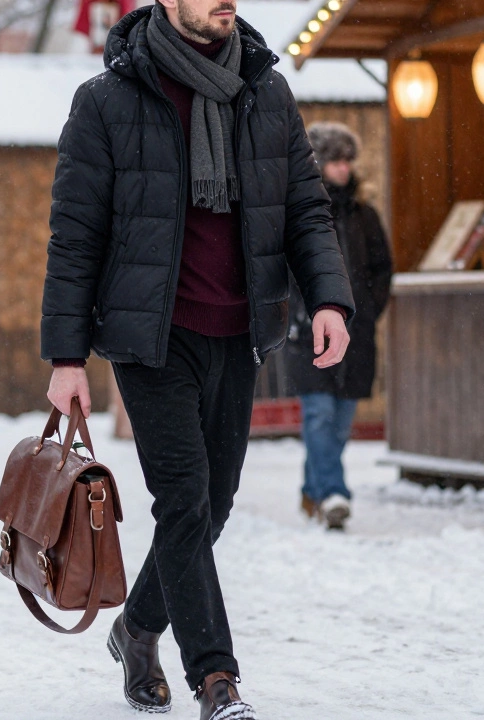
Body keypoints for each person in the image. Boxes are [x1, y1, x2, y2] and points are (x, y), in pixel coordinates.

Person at [40, 2, 355, 718]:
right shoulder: (108, 100)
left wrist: (328, 299)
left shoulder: (265, 90)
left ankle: (138, 628)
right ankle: (217, 678)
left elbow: (304, 207)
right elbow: (75, 234)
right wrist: (66, 355)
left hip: (239, 330)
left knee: (211, 508)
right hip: (150, 338)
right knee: (183, 501)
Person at [284, 123, 393, 531]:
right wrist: (299, 313)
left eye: (347, 160)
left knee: (341, 421)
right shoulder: (297, 214)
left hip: (356, 336)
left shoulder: (366, 217)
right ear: (318, 164)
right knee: (318, 415)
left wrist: (366, 312)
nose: (343, 169)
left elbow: (383, 270)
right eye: (334, 160)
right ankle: (334, 494)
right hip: (308, 332)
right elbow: (285, 270)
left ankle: (313, 489)